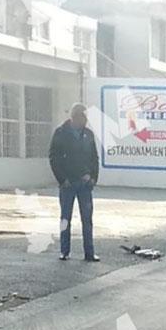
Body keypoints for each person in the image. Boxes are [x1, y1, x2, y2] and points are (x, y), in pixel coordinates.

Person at [49, 103, 100, 262]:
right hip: (68, 184)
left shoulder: (89, 135)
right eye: (82, 118)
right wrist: (62, 179)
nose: (85, 121)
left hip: (85, 185)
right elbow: (54, 158)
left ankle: (89, 253)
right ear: (74, 117)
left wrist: (93, 178)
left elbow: (94, 159)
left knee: (87, 219)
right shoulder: (61, 133)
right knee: (65, 218)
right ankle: (64, 251)